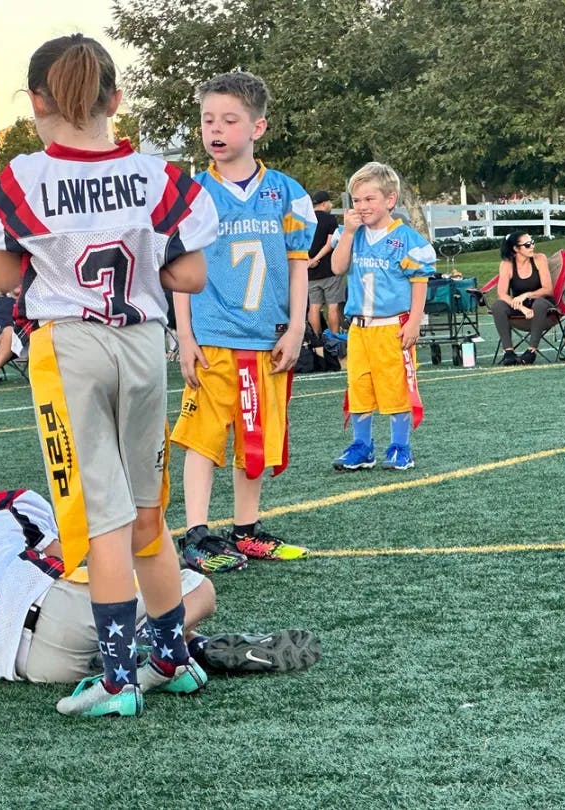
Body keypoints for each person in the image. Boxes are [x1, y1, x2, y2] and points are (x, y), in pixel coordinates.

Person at [0, 34, 220, 717]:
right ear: (115, 99)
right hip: (143, 340)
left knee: (101, 522)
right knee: (147, 514)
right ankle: (170, 658)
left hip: (70, 348)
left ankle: (117, 678)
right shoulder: (158, 175)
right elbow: (192, 274)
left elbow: (1, 276)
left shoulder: (21, 181)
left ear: (36, 103)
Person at [0, 428, 319, 688]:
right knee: (195, 586)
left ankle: (168, 649)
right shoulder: (6, 503)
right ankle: (169, 646)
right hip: (58, 613)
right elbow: (69, 560)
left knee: (111, 621)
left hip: (34, 669)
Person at [171, 71, 314, 574]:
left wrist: (297, 326)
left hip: (266, 336)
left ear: (257, 127)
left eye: (230, 120)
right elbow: (179, 268)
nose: (216, 129)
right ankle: (196, 536)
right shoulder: (192, 193)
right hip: (212, 336)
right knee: (203, 438)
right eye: (208, 119)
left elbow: (298, 264)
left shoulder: (286, 193)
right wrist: (184, 335)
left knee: (256, 436)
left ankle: (246, 531)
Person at [328, 162, 435, 473]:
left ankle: (400, 446)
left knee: (395, 387)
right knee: (358, 385)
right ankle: (362, 446)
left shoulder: (405, 238)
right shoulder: (353, 234)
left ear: (390, 200)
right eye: (356, 200)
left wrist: (415, 321)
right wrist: (347, 233)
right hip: (359, 328)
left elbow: (419, 280)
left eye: (369, 199)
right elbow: (337, 267)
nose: (361, 207)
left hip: (392, 326)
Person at [488, 232, 555, 366]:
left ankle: (531, 351)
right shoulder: (507, 264)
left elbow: (548, 289)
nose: (532, 247)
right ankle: (509, 352)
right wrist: (521, 307)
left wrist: (526, 295)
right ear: (515, 248)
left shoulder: (539, 259)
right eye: (527, 244)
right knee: (498, 306)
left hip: (542, 304)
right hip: (521, 307)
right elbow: (502, 293)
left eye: (532, 242)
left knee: (540, 304)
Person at [306, 190, 344, 336]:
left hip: (310, 272)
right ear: (324, 203)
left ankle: (317, 339)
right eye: (329, 202)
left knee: (314, 307)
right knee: (333, 307)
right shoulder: (330, 219)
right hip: (330, 270)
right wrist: (316, 259)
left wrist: (308, 261)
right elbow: (330, 244)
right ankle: (334, 338)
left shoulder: (305, 220)